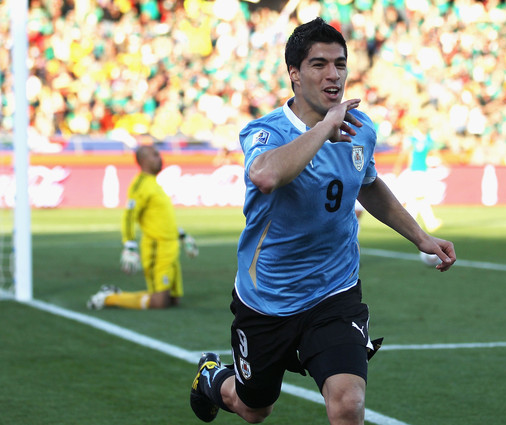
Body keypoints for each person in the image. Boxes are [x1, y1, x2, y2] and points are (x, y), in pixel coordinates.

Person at [189, 18, 456, 425]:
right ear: (294, 74)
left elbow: (367, 183)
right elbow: (265, 175)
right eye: (318, 64)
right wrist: (325, 126)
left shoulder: (360, 129)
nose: (333, 74)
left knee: (348, 403)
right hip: (268, 299)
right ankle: (213, 378)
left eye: (340, 64)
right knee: (254, 408)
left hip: (334, 291)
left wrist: (419, 235)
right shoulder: (266, 131)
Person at [87, 145, 199, 310]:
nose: (159, 158)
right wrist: (129, 245)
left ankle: (116, 294)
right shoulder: (140, 185)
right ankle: (110, 297)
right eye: (155, 155)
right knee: (158, 303)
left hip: (171, 247)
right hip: (156, 247)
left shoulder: (154, 184)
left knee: (174, 300)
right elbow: (129, 216)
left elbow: (162, 218)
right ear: (144, 160)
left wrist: (182, 235)